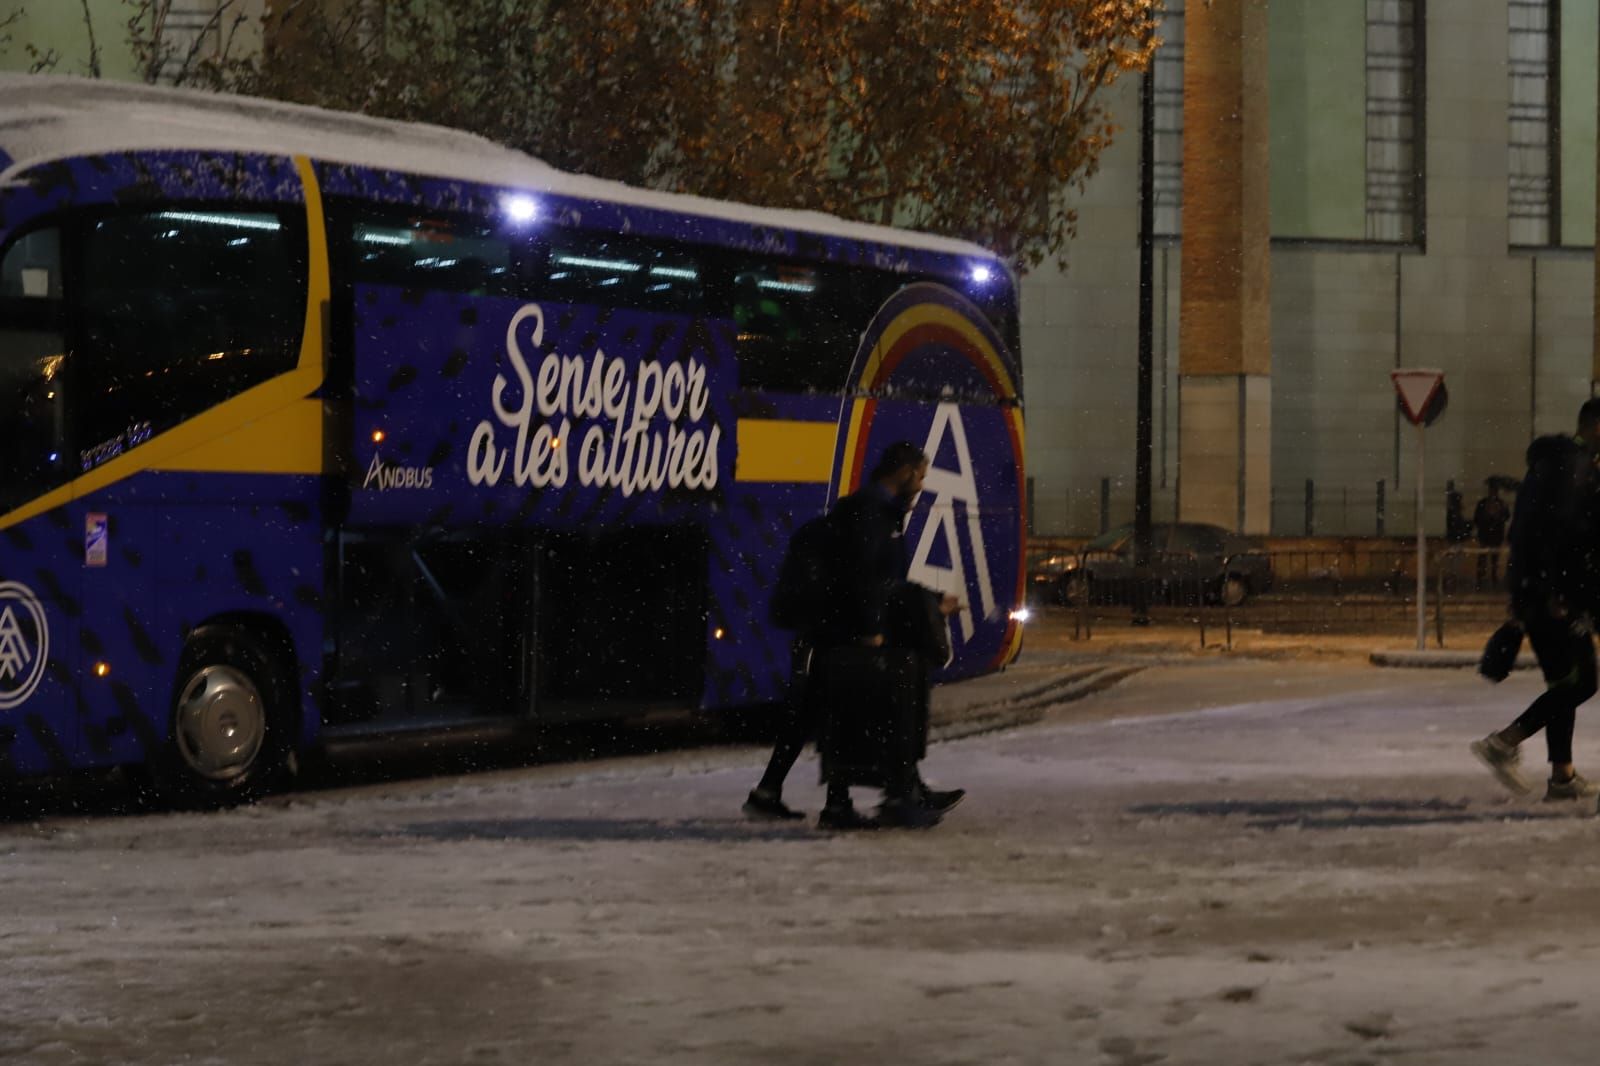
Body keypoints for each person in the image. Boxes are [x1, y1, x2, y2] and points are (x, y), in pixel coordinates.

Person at [743, 441, 963, 829]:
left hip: (832, 628)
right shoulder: (871, 514)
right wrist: (870, 629)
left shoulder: (873, 511)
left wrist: (925, 599)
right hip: (842, 632)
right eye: (922, 476)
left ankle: (783, 795)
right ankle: (868, 799)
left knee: (819, 711)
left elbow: (879, 580)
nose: (923, 485)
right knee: (847, 711)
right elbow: (867, 578)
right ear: (906, 472)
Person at [1471, 399, 1600, 802]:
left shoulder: (1546, 467)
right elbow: (1569, 535)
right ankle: (1504, 742)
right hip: (1554, 596)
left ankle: (1562, 778)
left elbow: (1528, 532)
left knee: (1562, 681)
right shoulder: (1577, 468)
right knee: (1581, 683)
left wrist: (1525, 591)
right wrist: (1562, 593)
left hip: (1535, 591)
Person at [1472, 480, 1510, 590]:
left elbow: (1505, 516)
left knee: (1492, 558)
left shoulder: (1498, 504)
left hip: (1493, 535)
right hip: (1488, 535)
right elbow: (1478, 518)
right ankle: (1482, 578)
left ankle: (1489, 578)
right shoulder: (1487, 503)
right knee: (1485, 558)